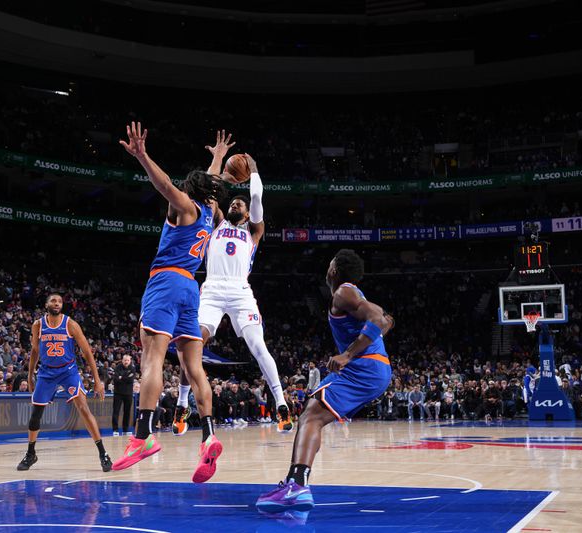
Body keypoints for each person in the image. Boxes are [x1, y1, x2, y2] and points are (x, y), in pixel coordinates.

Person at [110, 122, 230, 484]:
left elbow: (165, 186)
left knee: (152, 359)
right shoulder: (209, 213)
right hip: (192, 288)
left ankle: (142, 437)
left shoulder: (187, 207)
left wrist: (143, 156)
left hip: (166, 282)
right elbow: (208, 184)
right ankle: (208, 435)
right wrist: (219, 158)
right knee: (195, 371)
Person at [256, 249, 394, 513]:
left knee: (311, 417)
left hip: (364, 367)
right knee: (311, 413)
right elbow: (385, 320)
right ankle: (294, 482)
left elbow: (378, 319)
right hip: (373, 368)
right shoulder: (352, 295)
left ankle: (296, 486)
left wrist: (348, 354)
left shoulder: (344, 292)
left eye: (330, 263)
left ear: (333, 270)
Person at [173, 144, 294, 435]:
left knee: (257, 346)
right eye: (234, 204)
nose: (236, 205)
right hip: (212, 290)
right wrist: (225, 175)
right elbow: (206, 191)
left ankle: (280, 402)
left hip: (241, 292)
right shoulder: (215, 223)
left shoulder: (253, 231)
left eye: (240, 205)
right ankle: (181, 402)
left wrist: (252, 169)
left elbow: (255, 195)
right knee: (193, 343)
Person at [16, 293, 111, 472]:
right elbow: (35, 351)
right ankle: (31, 454)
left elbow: (87, 353)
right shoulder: (38, 325)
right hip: (46, 372)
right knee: (36, 414)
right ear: (46, 304)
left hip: (68, 371)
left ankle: (103, 453)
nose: (57, 303)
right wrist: (30, 375)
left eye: (59, 301)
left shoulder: (70, 324)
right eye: (53, 300)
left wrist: (97, 381)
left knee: (83, 407)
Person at [112, 354, 135, 436]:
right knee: (116, 411)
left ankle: (125, 429)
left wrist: (121, 377)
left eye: (128, 360)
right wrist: (125, 377)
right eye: (125, 360)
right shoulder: (118, 367)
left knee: (127, 412)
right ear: (122, 360)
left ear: (130, 361)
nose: (126, 362)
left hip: (128, 393)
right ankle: (115, 429)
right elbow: (116, 379)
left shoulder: (132, 368)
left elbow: (131, 380)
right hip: (118, 393)